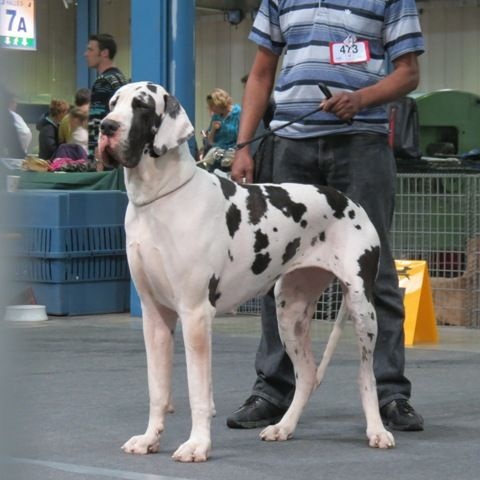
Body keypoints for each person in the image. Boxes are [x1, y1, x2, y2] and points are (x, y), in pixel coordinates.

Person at [228, 0, 425, 432]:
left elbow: (409, 73)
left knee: (376, 274)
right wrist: (244, 146)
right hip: (291, 147)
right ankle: (272, 389)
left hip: (362, 146)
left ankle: (391, 394)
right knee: (276, 272)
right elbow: (261, 73)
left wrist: (361, 98)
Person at [84, 33, 127, 168]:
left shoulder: (103, 82)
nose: (86, 54)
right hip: (118, 154)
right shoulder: (120, 78)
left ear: (104, 53)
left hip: (105, 158)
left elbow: (97, 122)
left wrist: (96, 159)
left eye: (90, 49)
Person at [202, 88, 241, 172]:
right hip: (218, 152)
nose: (210, 108)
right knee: (208, 164)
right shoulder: (216, 116)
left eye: (212, 105)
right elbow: (210, 141)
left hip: (234, 152)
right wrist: (213, 129)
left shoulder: (238, 113)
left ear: (220, 103)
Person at [7, 90, 32, 155]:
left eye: (16, 103)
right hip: (12, 151)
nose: (15, 105)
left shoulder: (15, 115)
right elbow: (25, 132)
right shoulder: (9, 115)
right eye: (14, 102)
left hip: (18, 151)